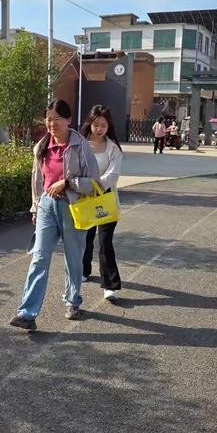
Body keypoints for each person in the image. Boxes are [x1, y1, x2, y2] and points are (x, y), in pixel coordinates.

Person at [10, 99, 100, 331]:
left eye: (56, 119)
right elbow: (36, 179)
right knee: (39, 257)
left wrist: (67, 183)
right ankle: (27, 313)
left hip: (73, 207)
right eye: (48, 119)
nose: (51, 124)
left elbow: (94, 183)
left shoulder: (81, 146)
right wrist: (34, 206)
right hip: (46, 207)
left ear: (69, 120)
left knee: (73, 258)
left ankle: (73, 301)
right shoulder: (41, 146)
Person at [81, 105, 123, 301]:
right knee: (85, 238)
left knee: (105, 242)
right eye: (95, 124)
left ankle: (109, 284)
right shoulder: (79, 144)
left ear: (109, 126)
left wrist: (94, 185)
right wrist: (84, 187)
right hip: (84, 199)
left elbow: (113, 175)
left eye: (103, 125)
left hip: (105, 199)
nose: (99, 129)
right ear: (90, 123)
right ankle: (83, 270)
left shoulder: (113, 148)